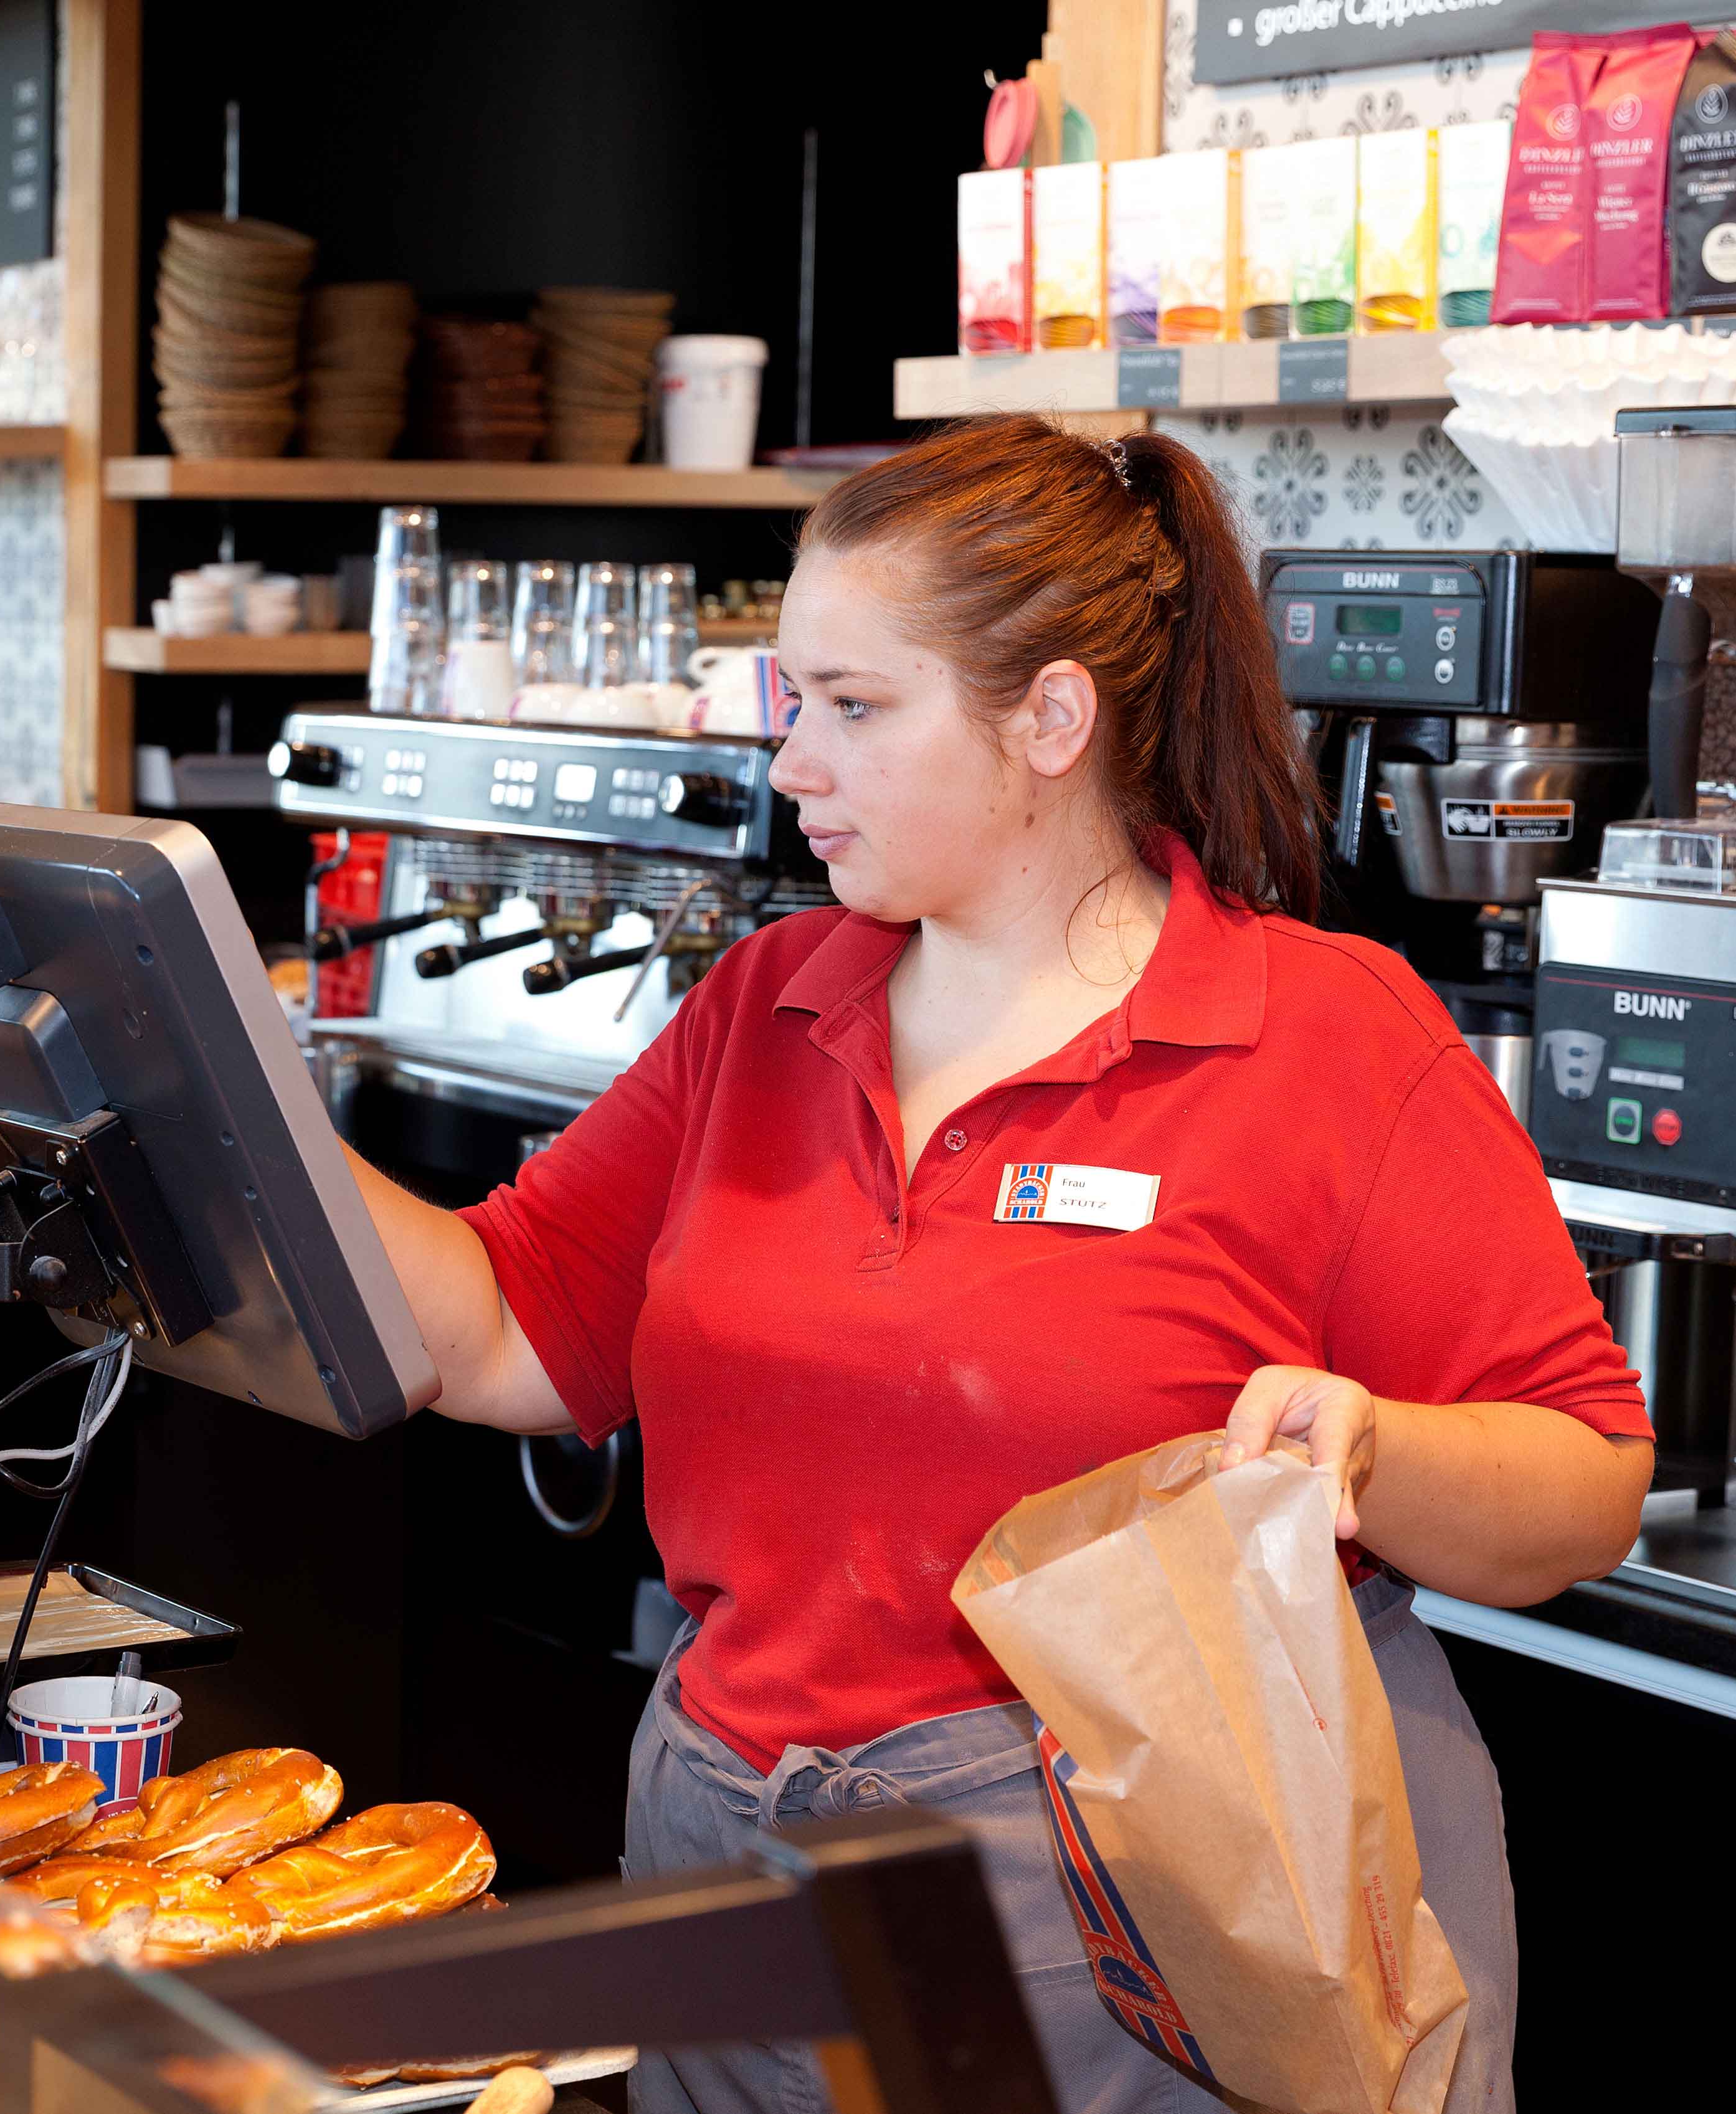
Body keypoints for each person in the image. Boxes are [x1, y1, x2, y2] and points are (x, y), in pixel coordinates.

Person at [345, 417, 1651, 2114]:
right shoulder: (767, 1003)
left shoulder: (1325, 1042)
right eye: (786, 701)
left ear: (1048, 719)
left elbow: (1584, 1481)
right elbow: (502, 1329)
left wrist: (1377, 1452)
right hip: (719, 1867)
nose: (791, 762)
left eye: (851, 708)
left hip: (1103, 1938)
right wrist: (215, 1091)